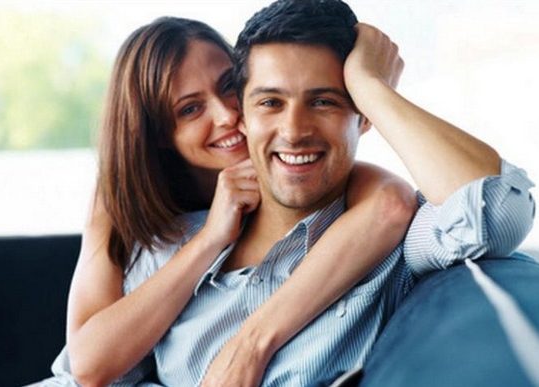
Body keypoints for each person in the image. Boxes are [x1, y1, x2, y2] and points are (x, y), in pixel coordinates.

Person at [106, 0, 535, 386]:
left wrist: (371, 87)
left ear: (363, 117)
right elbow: (91, 375)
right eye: (270, 103)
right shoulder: (172, 243)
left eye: (324, 102)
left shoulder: (395, 243)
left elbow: (496, 210)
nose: (294, 132)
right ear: (243, 118)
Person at [42, 15, 418, 387]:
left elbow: (389, 201)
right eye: (190, 109)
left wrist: (251, 343)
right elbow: (88, 366)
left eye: (228, 87)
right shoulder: (125, 201)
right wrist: (211, 237)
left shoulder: (306, 171)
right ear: (157, 134)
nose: (226, 114)